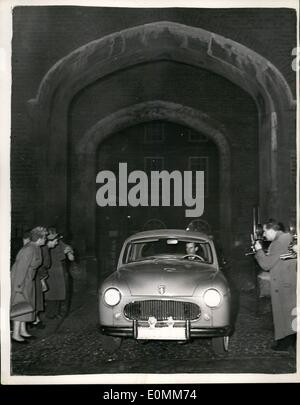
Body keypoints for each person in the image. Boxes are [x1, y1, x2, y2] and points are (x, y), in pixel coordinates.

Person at [254, 219, 296, 351]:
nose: (264, 235)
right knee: (289, 314)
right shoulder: (287, 238)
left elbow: (266, 265)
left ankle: (284, 342)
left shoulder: (278, 242)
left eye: (265, 231)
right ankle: (289, 341)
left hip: (283, 284)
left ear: (272, 229)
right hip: (289, 282)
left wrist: (259, 250)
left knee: (282, 314)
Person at [10, 226, 47, 343]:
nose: (46, 239)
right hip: (21, 280)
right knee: (20, 306)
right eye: (44, 237)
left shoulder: (35, 248)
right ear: (39, 238)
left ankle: (23, 331)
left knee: (26, 306)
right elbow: (21, 268)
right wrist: (18, 286)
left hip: (28, 280)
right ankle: (16, 335)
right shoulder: (29, 249)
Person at [45, 228, 75, 319]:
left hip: (59, 271)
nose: (56, 241)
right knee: (51, 294)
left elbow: (66, 247)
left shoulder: (58, 242)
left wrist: (69, 251)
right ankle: (50, 314)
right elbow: (49, 258)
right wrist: (63, 254)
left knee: (58, 293)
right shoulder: (46, 245)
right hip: (50, 271)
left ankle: (56, 312)